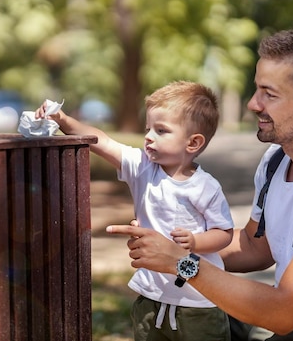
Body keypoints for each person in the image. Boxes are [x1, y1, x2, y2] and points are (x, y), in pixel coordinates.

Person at [107, 29, 293, 340]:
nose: (253, 104)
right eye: (257, 90)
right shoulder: (276, 161)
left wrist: (181, 262)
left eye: (269, 93)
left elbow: (284, 312)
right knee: (191, 311)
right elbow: (255, 247)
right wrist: (168, 243)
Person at [36, 81, 234, 341]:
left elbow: (224, 232)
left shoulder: (205, 187)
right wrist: (62, 118)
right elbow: (102, 141)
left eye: (161, 130)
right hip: (151, 297)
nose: (149, 136)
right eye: (148, 128)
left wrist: (196, 241)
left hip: (199, 302)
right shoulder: (143, 167)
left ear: (193, 143)